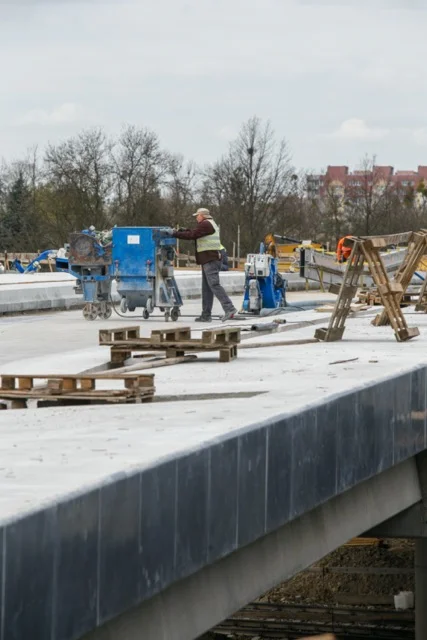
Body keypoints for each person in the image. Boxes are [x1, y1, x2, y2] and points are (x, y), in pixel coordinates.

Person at [165, 208, 237, 322]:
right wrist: (184, 230)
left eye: (197, 215)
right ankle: (206, 315)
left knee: (214, 285)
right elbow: (196, 232)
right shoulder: (208, 224)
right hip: (208, 259)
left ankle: (229, 308)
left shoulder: (206, 224)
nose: (196, 217)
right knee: (207, 288)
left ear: (202, 215)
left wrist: (175, 234)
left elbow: (193, 235)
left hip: (211, 260)